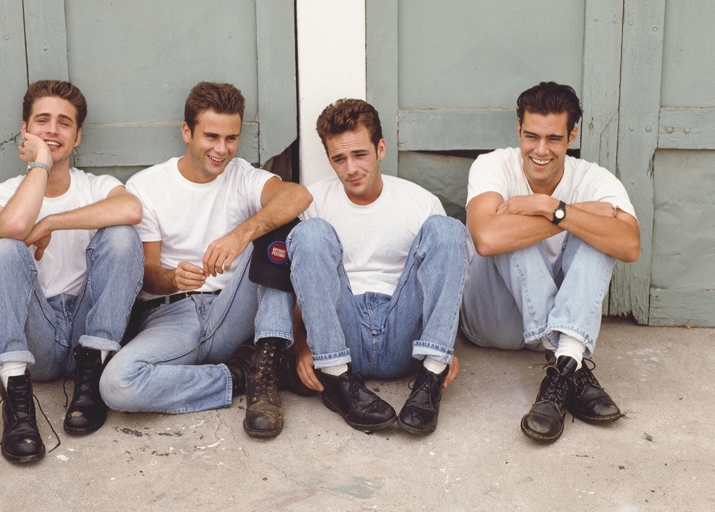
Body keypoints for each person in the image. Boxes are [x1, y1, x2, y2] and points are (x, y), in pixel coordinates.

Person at [99, 82, 312, 439]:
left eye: (231, 138)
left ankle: (269, 358)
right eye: (211, 136)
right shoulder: (147, 186)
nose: (221, 149)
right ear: (187, 132)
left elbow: (298, 195)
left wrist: (241, 235)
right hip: (171, 316)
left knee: (281, 227)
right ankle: (243, 376)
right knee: (117, 385)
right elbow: (147, 276)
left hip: (234, 309)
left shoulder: (242, 175)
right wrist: (172, 279)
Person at [460, 81, 640, 444]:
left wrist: (549, 206)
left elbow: (629, 245)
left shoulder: (593, 178)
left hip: (557, 325)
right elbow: (487, 238)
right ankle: (572, 363)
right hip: (492, 321)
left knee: (600, 238)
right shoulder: (493, 165)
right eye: (531, 137)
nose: (540, 150)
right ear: (518, 130)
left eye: (554, 139)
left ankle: (563, 367)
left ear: (572, 135)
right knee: (514, 236)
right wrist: (568, 214)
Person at [0, 80, 144, 463]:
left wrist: (52, 222)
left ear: (78, 136)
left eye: (64, 123)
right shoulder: (1, 195)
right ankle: (17, 401)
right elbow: (12, 229)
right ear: (25, 131)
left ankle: (92, 379)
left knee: (122, 235)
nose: (52, 130)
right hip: (38, 337)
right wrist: (40, 163)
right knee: (2, 251)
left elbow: (131, 210)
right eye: (42, 121)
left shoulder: (97, 186)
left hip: (89, 333)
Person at [286, 98, 465, 435]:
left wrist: (443, 344)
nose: (351, 169)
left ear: (380, 148)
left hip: (403, 331)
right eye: (339, 159)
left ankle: (431, 374)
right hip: (342, 331)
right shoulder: (314, 201)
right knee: (310, 234)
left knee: (448, 230)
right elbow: (303, 285)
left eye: (360, 155)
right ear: (329, 160)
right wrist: (301, 344)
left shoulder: (418, 202)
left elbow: (445, 279)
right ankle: (336, 379)